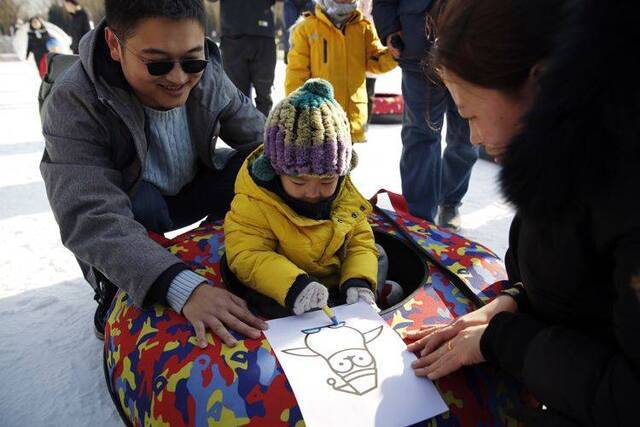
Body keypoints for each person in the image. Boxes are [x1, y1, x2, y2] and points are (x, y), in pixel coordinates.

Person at [406, 0, 639, 424]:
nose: (474, 138)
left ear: (541, 85)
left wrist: (506, 341)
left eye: (471, 114)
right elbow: (576, 283)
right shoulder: (557, 155)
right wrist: (513, 302)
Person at [40, 0, 268, 348]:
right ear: (115, 46)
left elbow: (262, 143)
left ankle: (229, 253)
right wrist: (181, 286)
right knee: (140, 206)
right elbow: (89, 216)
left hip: (189, 185)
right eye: (157, 64)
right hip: (132, 205)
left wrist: (321, 183)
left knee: (250, 170)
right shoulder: (73, 100)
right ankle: (117, 285)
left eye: (192, 60)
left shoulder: (208, 75)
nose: (178, 78)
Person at [224, 79, 379, 316]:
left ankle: (357, 292)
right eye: (299, 181)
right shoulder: (255, 201)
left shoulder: (344, 195)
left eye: (327, 181)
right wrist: (293, 285)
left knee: (379, 255)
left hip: (334, 281)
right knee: (246, 281)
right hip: (285, 285)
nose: (313, 192)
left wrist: (358, 279)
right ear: (274, 171)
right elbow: (248, 253)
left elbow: (360, 242)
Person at [372, 0, 478, 230]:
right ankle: (419, 216)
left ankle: (449, 202)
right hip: (417, 49)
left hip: (470, 51)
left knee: (467, 136)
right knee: (420, 134)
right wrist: (389, 30)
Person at [286, 0, 397, 143]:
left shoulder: (362, 28)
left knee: (348, 164)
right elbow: (296, 75)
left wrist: (394, 54)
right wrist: (298, 113)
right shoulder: (307, 28)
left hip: (351, 121)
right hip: (319, 120)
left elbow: (375, 60)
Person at [211, 0, 277, 117]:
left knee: (264, 96)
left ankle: (263, 132)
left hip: (262, 35)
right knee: (237, 97)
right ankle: (243, 134)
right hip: (234, 36)